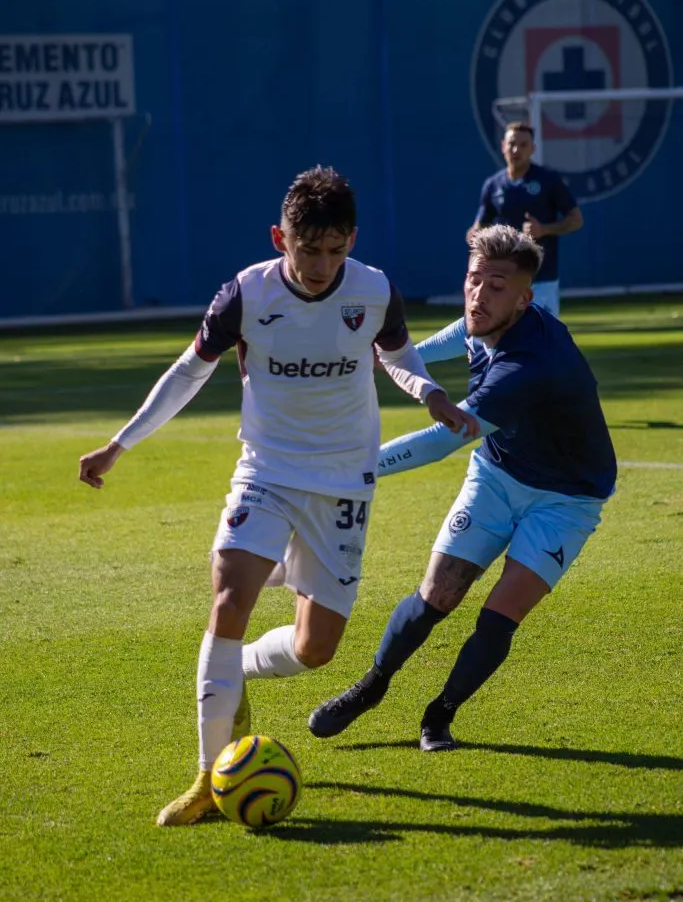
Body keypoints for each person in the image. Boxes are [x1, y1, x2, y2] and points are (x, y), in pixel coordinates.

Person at [78, 165, 477, 824]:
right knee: (228, 600)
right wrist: (119, 445)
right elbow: (187, 373)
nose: (321, 264)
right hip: (265, 472)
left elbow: (398, 357)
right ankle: (209, 778)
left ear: (351, 239)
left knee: (314, 649)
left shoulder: (374, 291)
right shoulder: (244, 295)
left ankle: (236, 676)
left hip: (344, 482)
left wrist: (431, 394)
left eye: (334, 249)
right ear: (279, 237)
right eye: (307, 248)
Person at [308, 224, 617, 751]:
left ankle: (439, 716)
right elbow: (458, 335)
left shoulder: (529, 365)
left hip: (567, 498)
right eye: (475, 280)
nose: (479, 295)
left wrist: (353, 467)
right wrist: (392, 361)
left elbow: (440, 442)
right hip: (498, 475)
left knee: (501, 613)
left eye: (497, 287)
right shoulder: (486, 319)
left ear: (525, 299)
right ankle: (370, 688)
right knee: (438, 594)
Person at [466, 121, 583, 317]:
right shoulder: (493, 185)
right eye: (511, 144)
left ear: (533, 149)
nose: (516, 149)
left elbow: (576, 219)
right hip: (503, 280)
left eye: (523, 145)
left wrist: (544, 229)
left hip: (541, 279)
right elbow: (478, 228)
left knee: (542, 341)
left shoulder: (548, 180)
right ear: (503, 146)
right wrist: (475, 235)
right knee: (501, 340)